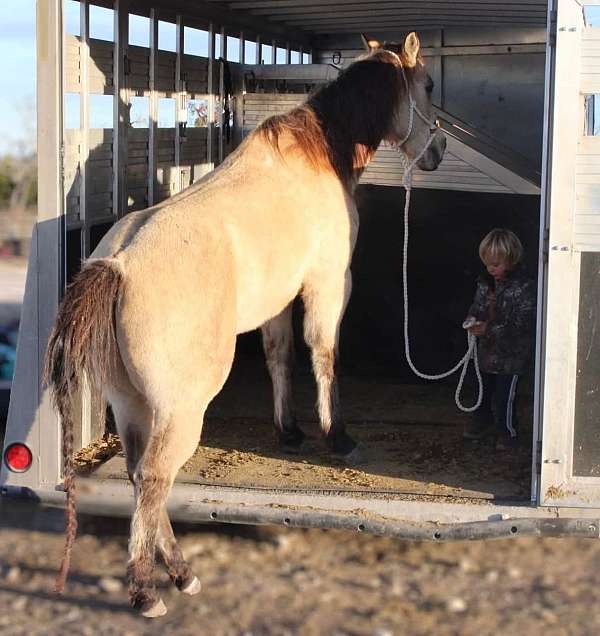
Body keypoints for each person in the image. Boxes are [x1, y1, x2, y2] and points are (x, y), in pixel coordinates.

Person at [462, 229, 536, 450]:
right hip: (487, 354)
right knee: (482, 390)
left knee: (505, 397)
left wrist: (488, 329)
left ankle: (508, 433)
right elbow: (478, 306)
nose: (491, 269)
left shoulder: (525, 286)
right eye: (487, 264)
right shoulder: (485, 283)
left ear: (511, 259)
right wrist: (472, 319)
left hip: (512, 356)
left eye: (496, 264)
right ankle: (482, 421)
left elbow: (522, 322)